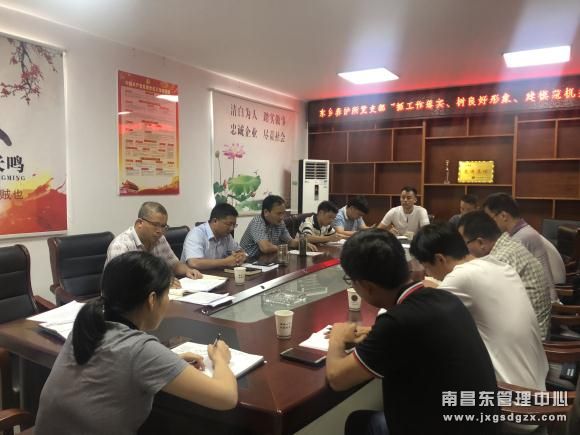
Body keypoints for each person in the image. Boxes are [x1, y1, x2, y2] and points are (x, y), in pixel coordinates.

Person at [35, 252, 238, 434]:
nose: (167, 301)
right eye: (167, 294)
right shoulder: (141, 349)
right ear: (152, 300)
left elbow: (115, 364)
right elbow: (226, 398)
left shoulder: (86, 327)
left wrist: (170, 361)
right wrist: (220, 359)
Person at [326, 229, 500, 435]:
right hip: (481, 425)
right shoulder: (443, 298)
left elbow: (337, 378)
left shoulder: (396, 323)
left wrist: (337, 337)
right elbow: (418, 335)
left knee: (358, 423)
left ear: (367, 286)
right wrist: (374, 333)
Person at [410, 223, 548, 393]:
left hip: (509, 395)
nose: (427, 273)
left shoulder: (461, 277)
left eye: (427, 267)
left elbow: (421, 318)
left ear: (440, 259)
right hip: (537, 385)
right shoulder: (499, 266)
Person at [457, 211, 552, 340]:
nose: (464, 250)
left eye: (464, 244)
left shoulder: (500, 259)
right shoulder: (508, 245)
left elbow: (481, 303)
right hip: (526, 329)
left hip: (528, 338)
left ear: (481, 242)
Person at [482, 193, 559, 301]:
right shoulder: (523, 232)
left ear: (503, 216)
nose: (488, 225)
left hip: (545, 301)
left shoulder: (520, 238)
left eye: (490, 219)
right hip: (542, 297)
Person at [106, 202, 202, 286]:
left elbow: (174, 264)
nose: (159, 231)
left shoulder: (160, 239)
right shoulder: (120, 246)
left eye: (163, 226)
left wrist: (187, 270)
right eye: (155, 225)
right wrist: (161, 283)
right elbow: (122, 283)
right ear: (139, 223)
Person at [239, 195, 316, 258]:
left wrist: (302, 244)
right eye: (278, 213)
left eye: (283, 213)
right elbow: (265, 248)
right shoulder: (258, 221)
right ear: (266, 212)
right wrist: (284, 248)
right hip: (249, 261)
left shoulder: (280, 223)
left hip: (266, 260)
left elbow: (290, 242)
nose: (282, 217)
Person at [181, 203, 246, 270]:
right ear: (215, 221)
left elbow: (239, 251)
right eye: (229, 224)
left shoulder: (226, 236)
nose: (231, 228)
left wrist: (241, 256)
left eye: (234, 225)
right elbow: (194, 263)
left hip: (216, 274)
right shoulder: (196, 234)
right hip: (195, 275)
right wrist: (226, 262)